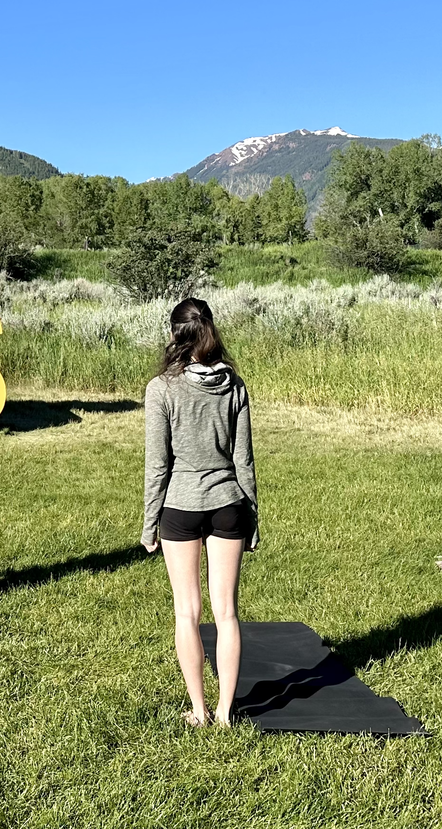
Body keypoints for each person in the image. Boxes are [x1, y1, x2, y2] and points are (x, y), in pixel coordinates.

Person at [142, 297, 257, 728]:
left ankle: (200, 710)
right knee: (226, 612)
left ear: (175, 334)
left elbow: (158, 465)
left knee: (186, 612)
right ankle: (227, 713)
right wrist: (253, 519)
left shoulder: (162, 389)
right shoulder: (236, 386)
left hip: (180, 508)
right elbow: (244, 460)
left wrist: (150, 523)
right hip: (230, 506)